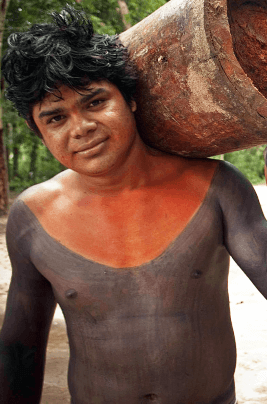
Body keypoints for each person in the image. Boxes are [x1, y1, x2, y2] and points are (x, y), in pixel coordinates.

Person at [0, 5, 267, 404]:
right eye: (55, 118)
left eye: (95, 102)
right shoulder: (32, 218)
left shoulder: (217, 187)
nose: (82, 127)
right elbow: (21, 352)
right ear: (38, 131)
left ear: (130, 100)